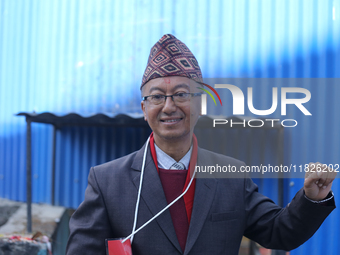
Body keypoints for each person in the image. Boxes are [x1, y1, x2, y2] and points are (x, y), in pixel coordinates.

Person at [66, 34, 336, 255]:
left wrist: (313, 198)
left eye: (181, 94)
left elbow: (280, 233)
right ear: (144, 108)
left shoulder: (231, 176)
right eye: (157, 96)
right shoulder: (108, 180)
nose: (169, 106)